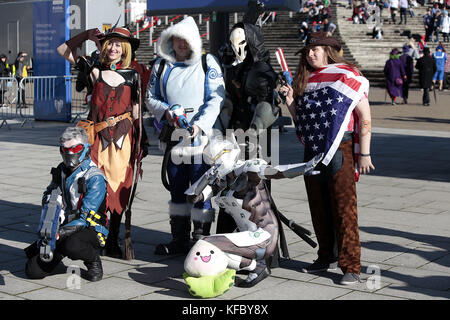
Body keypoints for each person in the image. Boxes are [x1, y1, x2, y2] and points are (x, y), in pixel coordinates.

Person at [279, 31, 375, 285]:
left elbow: (364, 114)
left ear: (328, 51)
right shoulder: (306, 79)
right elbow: (303, 121)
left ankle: (351, 265)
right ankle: (326, 255)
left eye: (316, 49)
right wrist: (290, 101)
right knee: (318, 204)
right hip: (313, 149)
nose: (311, 53)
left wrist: (364, 151)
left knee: (344, 208)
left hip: (340, 147)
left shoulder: (347, 75)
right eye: (308, 50)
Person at [182, 134, 321, 296]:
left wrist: (302, 168)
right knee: (217, 252)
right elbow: (192, 197)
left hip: (263, 235)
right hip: (245, 234)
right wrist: (205, 179)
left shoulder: (248, 169)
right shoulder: (222, 180)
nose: (215, 165)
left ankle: (251, 268)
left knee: (207, 243)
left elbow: (274, 171)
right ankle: (257, 267)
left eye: (216, 160)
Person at [57, 26, 147, 260]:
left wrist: (141, 142)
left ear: (125, 48)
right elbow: (63, 49)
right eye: (110, 44)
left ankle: (114, 239)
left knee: (120, 191)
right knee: (95, 188)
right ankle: (98, 236)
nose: (114, 48)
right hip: (97, 141)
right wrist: (86, 35)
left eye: (118, 44)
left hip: (123, 141)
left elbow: (137, 112)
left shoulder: (134, 75)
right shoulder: (94, 70)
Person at [145, 16, 225, 255]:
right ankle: (179, 239)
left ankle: (202, 239)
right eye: (177, 38)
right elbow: (151, 98)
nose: (181, 44)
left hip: (202, 140)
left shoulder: (206, 62)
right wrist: (166, 112)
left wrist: (200, 125)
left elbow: (216, 98)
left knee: (201, 190)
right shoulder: (161, 66)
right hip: (174, 141)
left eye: (186, 39)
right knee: (177, 190)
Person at [24, 127, 108, 282]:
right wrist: (51, 206)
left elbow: (85, 217)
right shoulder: (61, 170)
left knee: (73, 245)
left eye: (75, 148)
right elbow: (48, 194)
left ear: (85, 149)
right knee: (33, 270)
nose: (69, 153)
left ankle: (93, 260)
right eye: (65, 149)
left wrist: (59, 234)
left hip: (90, 228)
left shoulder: (95, 177)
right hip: (62, 225)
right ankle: (60, 251)